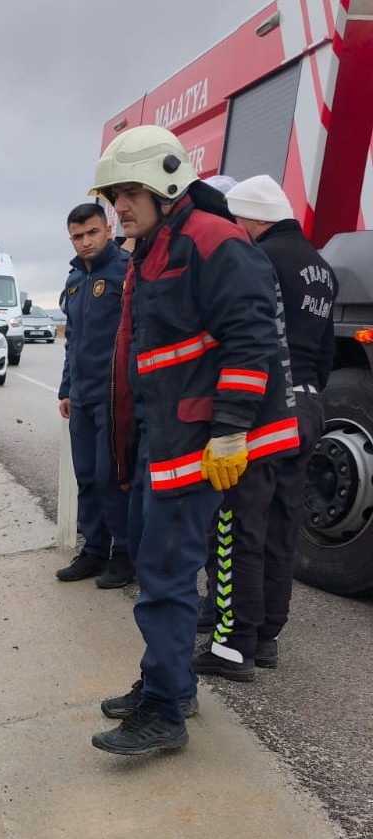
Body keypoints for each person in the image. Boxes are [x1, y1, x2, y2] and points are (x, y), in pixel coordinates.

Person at [87, 126, 299, 756]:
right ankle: (170, 683)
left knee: (166, 574)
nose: (117, 207)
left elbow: (251, 339)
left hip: (202, 442)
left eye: (128, 193)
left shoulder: (211, 240)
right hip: (172, 435)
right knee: (163, 568)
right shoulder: (156, 246)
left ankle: (163, 710)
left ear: (167, 183)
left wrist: (232, 430)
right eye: (113, 195)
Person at [191, 175, 336, 680]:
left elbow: (247, 334)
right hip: (309, 406)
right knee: (281, 522)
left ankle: (233, 643)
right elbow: (328, 353)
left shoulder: (259, 257)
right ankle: (268, 632)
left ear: (251, 220)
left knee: (235, 523)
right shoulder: (321, 266)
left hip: (264, 405)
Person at [56, 203, 133, 589]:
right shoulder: (74, 280)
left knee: (112, 476)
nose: (85, 242)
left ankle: (124, 555)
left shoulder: (125, 271)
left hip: (116, 396)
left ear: (108, 228)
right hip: (83, 397)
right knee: (86, 476)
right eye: (77, 236)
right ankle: (95, 550)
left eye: (92, 233)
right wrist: (67, 389)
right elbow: (73, 340)